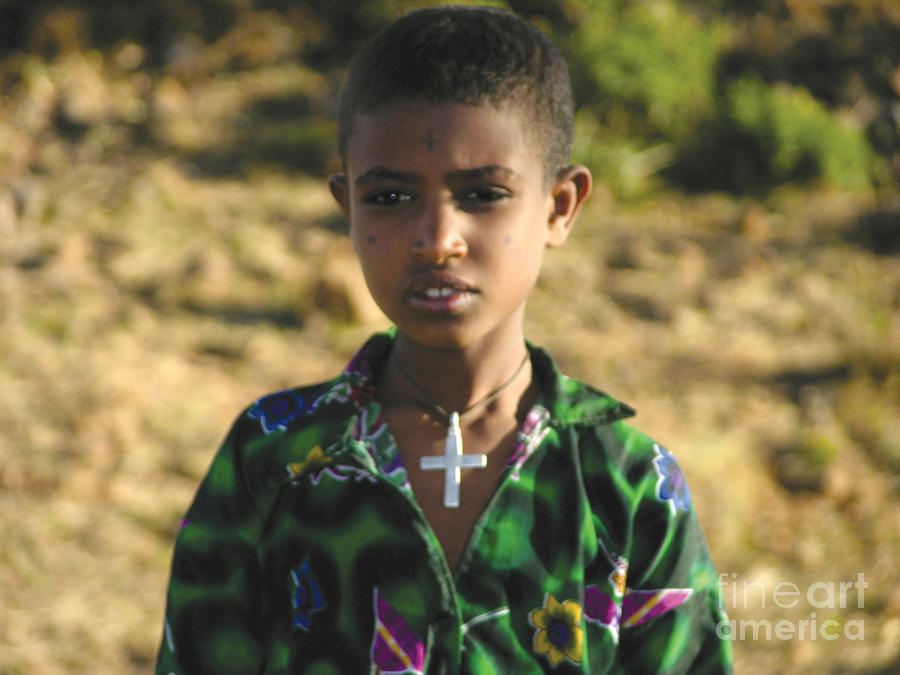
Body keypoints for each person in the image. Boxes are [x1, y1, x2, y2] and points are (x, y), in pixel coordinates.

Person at [155, 5, 733, 673]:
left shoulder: (626, 484)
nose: (437, 239)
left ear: (559, 206)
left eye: (484, 194)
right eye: (391, 199)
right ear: (347, 207)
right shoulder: (273, 458)